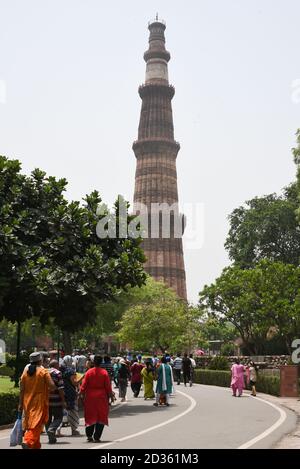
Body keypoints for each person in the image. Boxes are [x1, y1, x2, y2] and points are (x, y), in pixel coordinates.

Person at [18, 352, 55, 449]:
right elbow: (52, 386)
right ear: (40, 360)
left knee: (31, 424)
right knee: (36, 425)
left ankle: (35, 446)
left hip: (27, 402)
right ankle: (28, 441)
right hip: (39, 403)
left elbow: (21, 389)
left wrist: (20, 404)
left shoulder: (25, 373)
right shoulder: (43, 372)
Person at [80, 355, 115, 443]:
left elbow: (83, 386)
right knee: (101, 416)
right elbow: (108, 386)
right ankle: (97, 436)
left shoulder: (88, 372)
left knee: (90, 415)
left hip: (90, 397)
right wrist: (111, 396)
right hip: (101, 397)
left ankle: (89, 435)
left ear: (93, 362)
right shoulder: (104, 372)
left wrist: (80, 394)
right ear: (101, 362)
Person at [60, 355, 81, 436]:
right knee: (73, 412)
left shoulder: (60, 370)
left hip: (61, 392)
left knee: (61, 412)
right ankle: (73, 430)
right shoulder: (70, 371)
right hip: (71, 394)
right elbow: (74, 383)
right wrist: (82, 377)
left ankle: (58, 430)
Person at [46, 360, 66, 444]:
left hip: (45, 400)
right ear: (56, 365)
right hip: (56, 400)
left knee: (48, 419)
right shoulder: (58, 373)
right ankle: (52, 429)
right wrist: (63, 401)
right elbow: (60, 388)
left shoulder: (44, 372)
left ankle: (51, 438)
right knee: (58, 417)